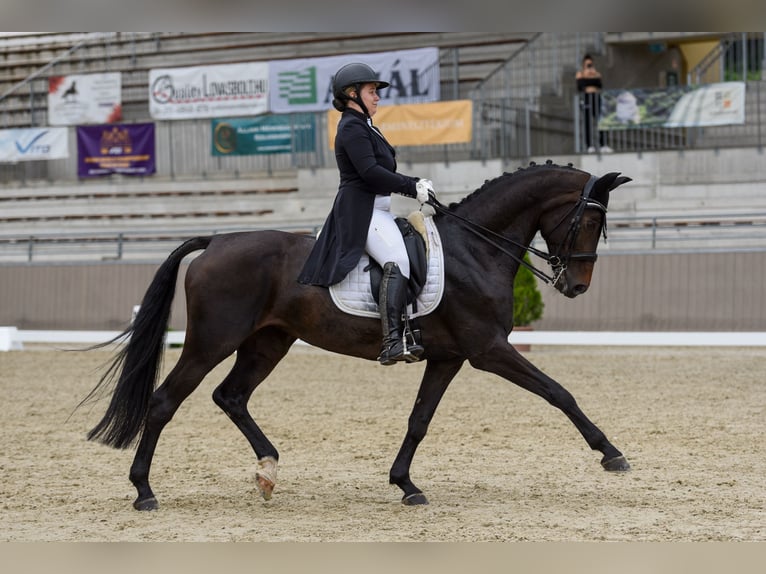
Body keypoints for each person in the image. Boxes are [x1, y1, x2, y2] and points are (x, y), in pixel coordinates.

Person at [297, 62, 435, 366]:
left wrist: (414, 186)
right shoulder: (350, 127)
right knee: (396, 260)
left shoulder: (366, 126)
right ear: (352, 94)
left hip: (379, 209)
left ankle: (412, 330)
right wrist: (412, 187)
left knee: (411, 253)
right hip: (361, 211)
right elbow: (371, 173)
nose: (377, 97)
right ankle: (391, 342)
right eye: (372, 91)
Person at [575, 54, 612, 153]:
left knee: (601, 121)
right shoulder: (580, 73)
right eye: (587, 64)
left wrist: (591, 77)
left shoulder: (596, 73)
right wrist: (588, 77)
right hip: (587, 98)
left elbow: (598, 84)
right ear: (583, 64)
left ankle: (603, 143)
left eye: (591, 64)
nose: (590, 66)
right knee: (587, 122)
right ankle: (589, 145)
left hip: (596, 97)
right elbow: (580, 85)